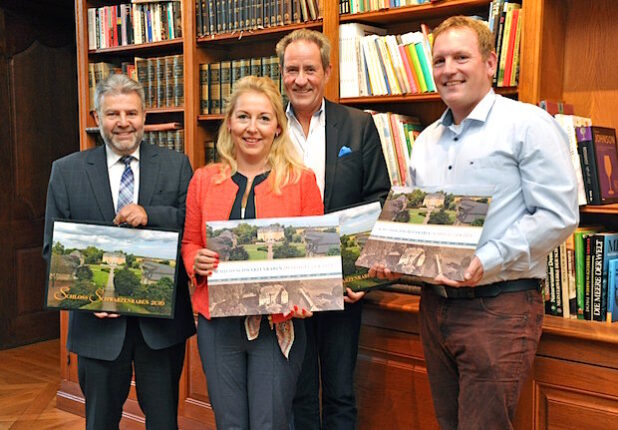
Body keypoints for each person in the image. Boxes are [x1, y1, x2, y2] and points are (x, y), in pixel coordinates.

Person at [373, 16, 579, 429]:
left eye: (461, 57)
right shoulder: (427, 140)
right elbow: (418, 220)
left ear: (489, 63)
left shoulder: (527, 125)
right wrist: (390, 255)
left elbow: (559, 216)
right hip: (433, 308)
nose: (449, 69)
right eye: (440, 60)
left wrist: (487, 259)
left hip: (498, 308)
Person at [42, 74, 195, 430]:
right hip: (97, 329)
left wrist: (150, 214)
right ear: (97, 117)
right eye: (113, 114)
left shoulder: (176, 166)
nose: (123, 122)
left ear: (145, 115)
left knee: (163, 422)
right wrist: (89, 297)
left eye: (131, 112)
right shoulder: (66, 172)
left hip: (160, 329)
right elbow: (53, 249)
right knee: (100, 422)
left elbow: (192, 227)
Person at [181, 75, 323, 429]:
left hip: (277, 327)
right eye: (243, 116)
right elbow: (190, 243)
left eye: (263, 118)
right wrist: (194, 261)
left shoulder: (301, 181)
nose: (252, 128)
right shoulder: (203, 180)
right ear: (229, 122)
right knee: (229, 424)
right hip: (218, 327)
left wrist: (308, 297)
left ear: (278, 126)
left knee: (269, 423)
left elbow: (316, 256)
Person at [276, 29, 391, 429]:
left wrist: (365, 278)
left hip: (344, 287)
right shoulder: (268, 127)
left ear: (326, 71)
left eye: (310, 69)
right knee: (298, 393)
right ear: (282, 73)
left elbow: (378, 200)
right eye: (292, 70)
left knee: (341, 392)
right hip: (288, 285)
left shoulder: (358, 127)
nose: (301, 79)